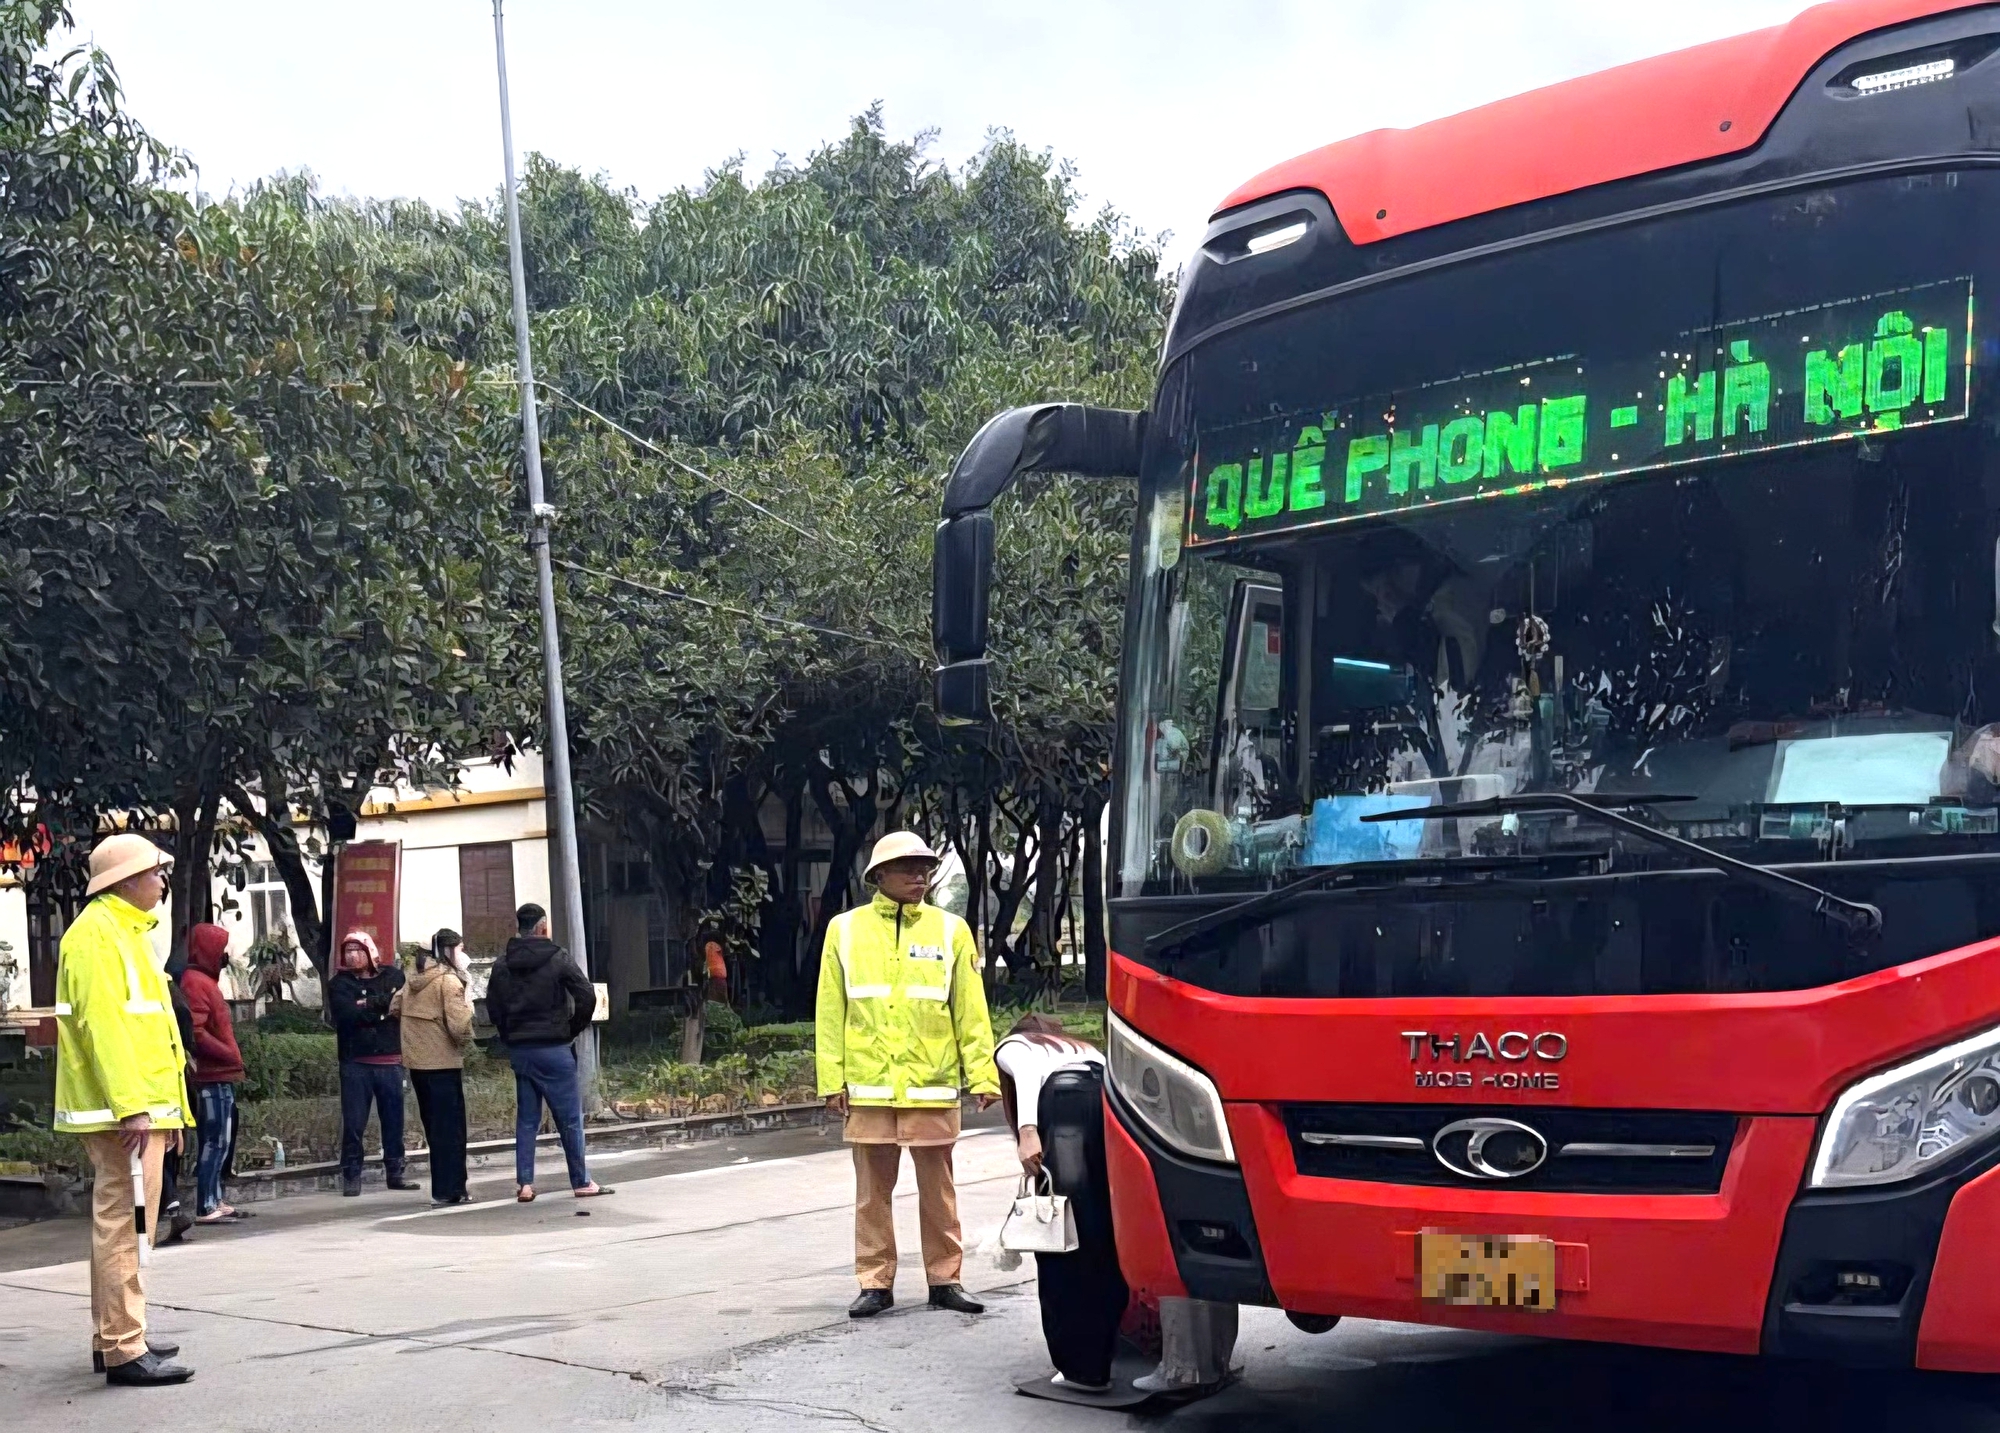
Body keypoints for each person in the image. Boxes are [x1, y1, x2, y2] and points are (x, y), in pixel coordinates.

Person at [816, 831, 999, 1319]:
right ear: (878, 876)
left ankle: (945, 1280)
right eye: (907, 868)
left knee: (939, 1191)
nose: (920, 876)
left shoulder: (951, 930)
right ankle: (875, 1283)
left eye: (925, 868)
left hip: (931, 1085)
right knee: (872, 1194)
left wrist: (983, 1074)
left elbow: (970, 1009)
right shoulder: (844, 930)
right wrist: (830, 1080)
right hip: (869, 1085)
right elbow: (830, 1010)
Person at [52, 833, 194, 1385]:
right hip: (126, 1113)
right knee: (125, 1227)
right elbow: (105, 1029)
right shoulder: (98, 935)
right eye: (155, 872)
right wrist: (134, 1107)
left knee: (127, 1226)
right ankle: (122, 1346)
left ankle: (115, 1336)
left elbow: (149, 1032)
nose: (162, 881)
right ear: (126, 879)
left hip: (141, 1110)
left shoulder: (125, 932)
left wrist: (168, 1112)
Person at [997, 1013, 1126, 1392]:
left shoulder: (1015, 1045)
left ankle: (1079, 1367)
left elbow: (1024, 1070)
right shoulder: (1084, 1049)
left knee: (1061, 1239)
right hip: (1103, 1111)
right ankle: (1101, 1353)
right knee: (1102, 1234)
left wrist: (1027, 1131)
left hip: (1064, 1113)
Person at [486, 903, 610, 1202]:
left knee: (527, 1119)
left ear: (519, 927)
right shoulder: (558, 957)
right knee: (569, 1119)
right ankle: (581, 1181)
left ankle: (525, 1184)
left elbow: (493, 1006)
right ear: (542, 926)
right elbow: (585, 994)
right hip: (554, 1049)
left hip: (521, 1051)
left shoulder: (503, 963)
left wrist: (509, 1035)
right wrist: (571, 1028)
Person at [327, 930, 418, 1198]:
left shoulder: (393, 976)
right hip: (355, 1062)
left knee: (394, 1120)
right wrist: (380, 1010)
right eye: (348, 950)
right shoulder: (339, 984)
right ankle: (351, 1174)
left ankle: (395, 1171)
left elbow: (399, 1004)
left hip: (390, 1060)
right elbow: (347, 1015)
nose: (352, 955)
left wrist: (367, 1004)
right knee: (354, 1123)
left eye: (357, 950)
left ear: (370, 952)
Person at [391, 927, 476, 1206]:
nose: (463, 954)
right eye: (460, 949)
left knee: (434, 1130)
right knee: (452, 1131)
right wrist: (467, 1040)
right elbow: (460, 1025)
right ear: (449, 951)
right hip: (443, 1063)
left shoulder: (412, 979)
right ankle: (453, 1190)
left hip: (417, 1064)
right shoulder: (448, 982)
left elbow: (394, 1007)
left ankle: (442, 1189)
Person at [180, 923, 249, 1224]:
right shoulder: (196, 982)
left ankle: (215, 1198)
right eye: (221, 950)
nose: (225, 956)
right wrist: (229, 1054)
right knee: (215, 1139)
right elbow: (196, 1031)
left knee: (222, 1140)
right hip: (212, 1076)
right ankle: (207, 1204)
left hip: (221, 1074)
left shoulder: (204, 981)